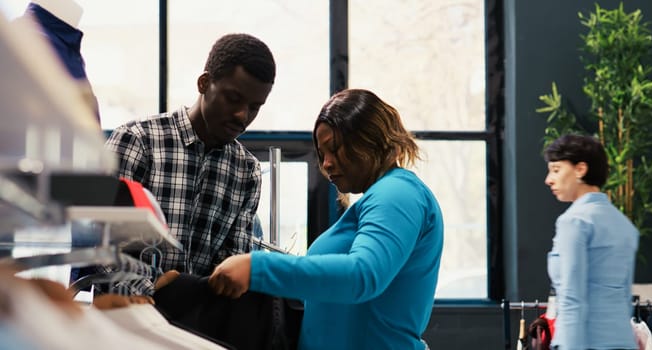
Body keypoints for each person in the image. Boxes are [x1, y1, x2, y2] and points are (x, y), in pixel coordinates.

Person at [207, 88, 444, 349]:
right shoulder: (384, 195)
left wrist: (257, 267)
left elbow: (362, 275)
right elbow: (334, 290)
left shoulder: (396, 193)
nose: (327, 164)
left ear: (370, 139)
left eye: (335, 149)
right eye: (322, 154)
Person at [105, 33, 276, 281]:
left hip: (199, 315)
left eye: (254, 107)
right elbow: (102, 244)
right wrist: (150, 291)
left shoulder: (246, 171)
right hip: (126, 312)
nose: (242, 115)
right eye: (233, 99)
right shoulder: (138, 142)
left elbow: (232, 259)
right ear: (204, 83)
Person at [543, 134, 638, 349]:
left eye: (556, 170)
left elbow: (572, 299)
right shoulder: (624, 225)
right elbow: (625, 300)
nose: (548, 179)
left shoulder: (574, 221)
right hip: (623, 342)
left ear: (580, 169)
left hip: (585, 343)